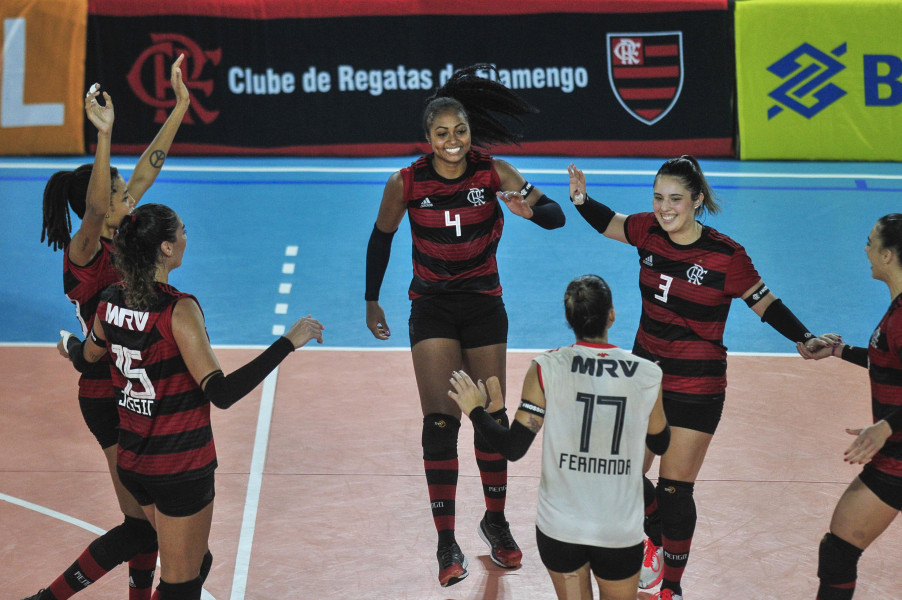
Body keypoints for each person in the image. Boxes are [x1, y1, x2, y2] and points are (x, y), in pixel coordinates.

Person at [568, 157, 831, 600]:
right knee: (620, 471)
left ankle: (671, 587)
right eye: (657, 198)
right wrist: (580, 199)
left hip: (697, 386)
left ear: (697, 201)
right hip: (644, 380)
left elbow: (765, 303)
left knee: (674, 490)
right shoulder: (647, 230)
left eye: (675, 199)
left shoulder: (727, 255)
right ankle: (654, 535)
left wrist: (803, 337)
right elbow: (609, 223)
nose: (664, 208)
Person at [364, 63, 566, 586]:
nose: (452, 142)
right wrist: (371, 300)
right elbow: (381, 239)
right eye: (441, 134)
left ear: (471, 133)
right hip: (431, 306)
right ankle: (445, 541)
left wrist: (528, 210)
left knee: (490, 415)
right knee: (440, 423)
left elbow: (554, 215)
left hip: (482, 304)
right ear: (427, 138)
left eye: (460, 132)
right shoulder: (405, 182)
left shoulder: (492, 173)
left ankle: (495, 522)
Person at [59, 203, 324, 600]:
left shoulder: (109, 300)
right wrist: (286, 343)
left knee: (195, 563)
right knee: (181, 586)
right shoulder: (177, 309)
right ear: (166, 248)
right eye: (181, 231)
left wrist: (70, 344)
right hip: (180, 466)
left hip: (133, 460)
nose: (186, 237)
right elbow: (221, 393)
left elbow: (86, 360)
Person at [27, 56, 189, 600]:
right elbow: (98, 204)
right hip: (103, 391)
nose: (129, 197)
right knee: (140, 526)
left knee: (146, 527)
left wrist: (180, 106)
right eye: (121, 194)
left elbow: (150, 165)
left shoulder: (125, 234)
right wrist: (105, 133)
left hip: (132, 389)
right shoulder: (86, 248)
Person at [447, 274, 669, 600]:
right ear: (612, 315)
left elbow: (513, 447)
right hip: (618, 528)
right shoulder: (647, 373)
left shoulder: (547, 368)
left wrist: (479, 411)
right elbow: (661, 443)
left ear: (569, 320)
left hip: (562, 529)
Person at [797, 214, 902, 599]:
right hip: (892, 457)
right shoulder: (897, 311)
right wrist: (837, 350)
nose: (865, 249)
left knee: (839, 553)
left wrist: (886, 426)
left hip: (897, 458)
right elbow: (886, 358)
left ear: (888, 255)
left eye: (871, 241)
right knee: (838, 551)